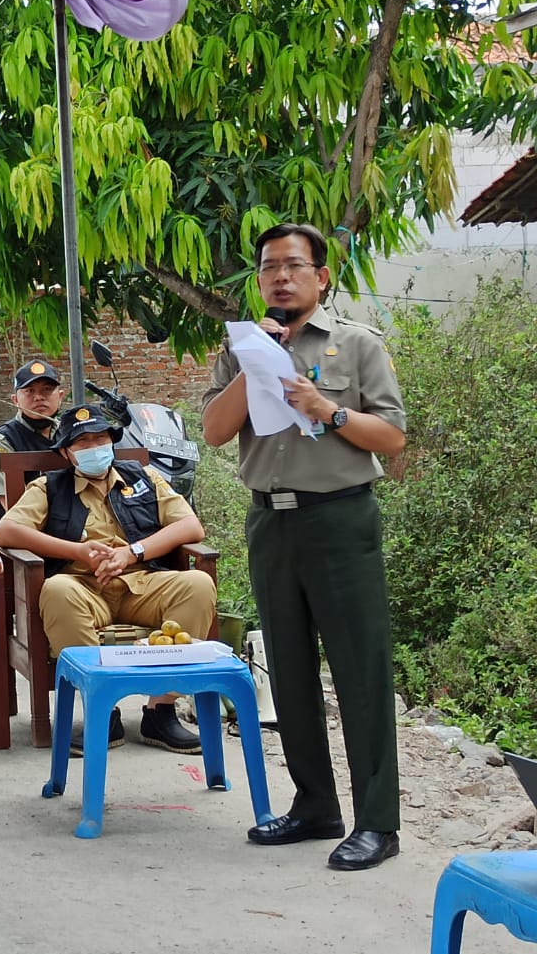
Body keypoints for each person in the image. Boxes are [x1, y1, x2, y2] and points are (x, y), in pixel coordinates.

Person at [201, 222, 407, 871]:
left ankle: (378, 822)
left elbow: (392, 437)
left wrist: (329, 409)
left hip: (341, 520)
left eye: (294, 265)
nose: (280, 276)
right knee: (287, 671)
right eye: (268, 267)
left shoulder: (357, 346)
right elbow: (212, 430)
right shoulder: (239, 349)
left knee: (360, 672)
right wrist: (255, 360)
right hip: (271, 524)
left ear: (322, 276)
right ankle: (315, 805)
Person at [0, 408, 215, 756]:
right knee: (57, 589)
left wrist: (132, 553)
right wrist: (78, 552)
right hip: (83, 588)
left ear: (112, 441)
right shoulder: (49, 486)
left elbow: (190, 527)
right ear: (66, 452)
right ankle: (102, 711)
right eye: (83, 442)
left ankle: (161, 710)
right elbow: (5, 531)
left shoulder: (143, 478)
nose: (95, 447)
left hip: (141, 583)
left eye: (100, 439)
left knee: (198, 585)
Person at [0, 360, 66, 516]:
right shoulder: (2, 441)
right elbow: (13, 508)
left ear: (60, 396)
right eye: (29, 391)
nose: (39, 397)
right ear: (15, 400)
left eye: (47, 390)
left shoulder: (69, 434)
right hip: (28, 529)